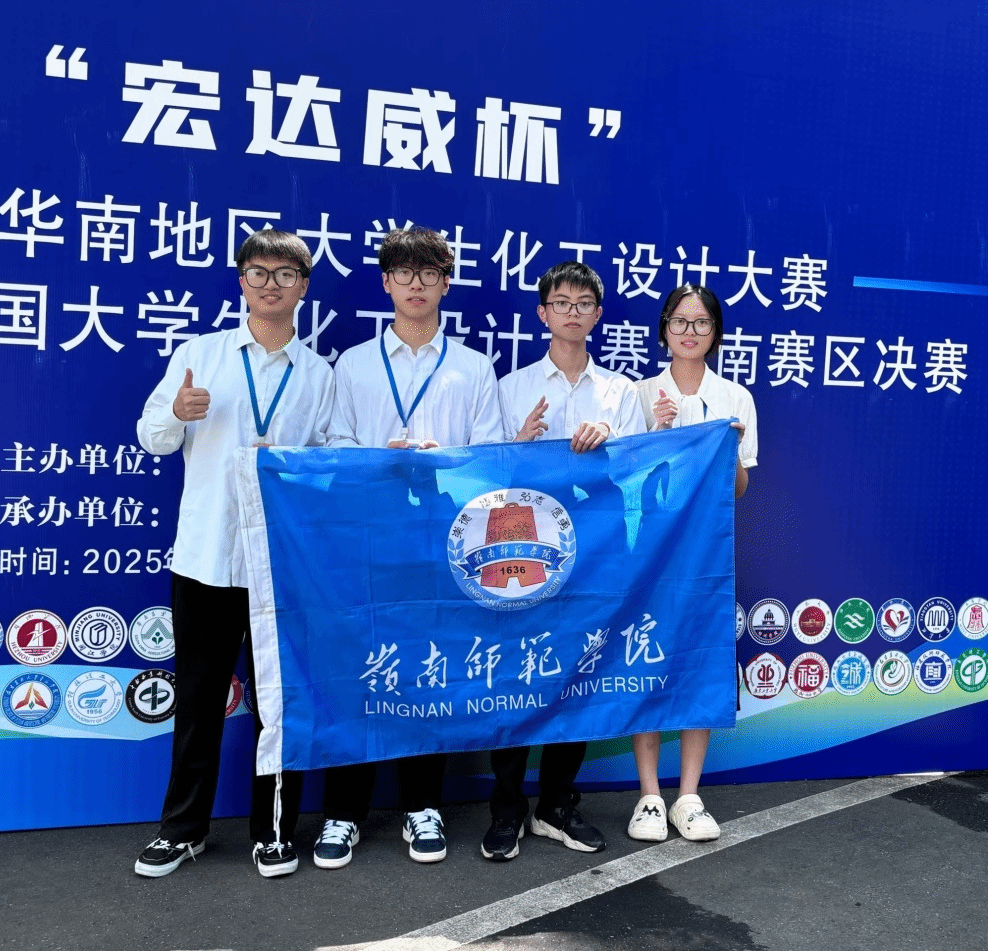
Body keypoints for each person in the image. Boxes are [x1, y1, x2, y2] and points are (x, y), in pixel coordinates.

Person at [134, 230, 335, 878]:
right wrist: (177, 411)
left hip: (282, 564)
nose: (271, 283)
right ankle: (182, 829)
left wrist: (300, 465)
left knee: (279, 703)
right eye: (259, 271)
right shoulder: (201, 354)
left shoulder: (318, 374)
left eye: (285, 273)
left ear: (304, 286)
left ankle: (273, 831)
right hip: (208, 556)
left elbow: (333, 456)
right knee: (198, 701)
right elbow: (152, 437)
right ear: (241, 280)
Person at [318, 226, 502, 868]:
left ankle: (423, 805)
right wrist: (382, 458)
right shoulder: (354, 364)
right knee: (359, 666)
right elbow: (336, 446)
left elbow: (489, 455)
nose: (416, 284)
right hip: (370, 538)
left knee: (429, 666)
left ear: (445, 284)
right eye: (404, 273)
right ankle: (343, 812)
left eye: (429, 273)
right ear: (386, 282)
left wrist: (440, 459)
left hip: (443, 542)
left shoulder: (473, 367)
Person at [482, 260, 647, 862]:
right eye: (561, 302)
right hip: (521, 552)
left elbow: (636, 471)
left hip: (595, 552)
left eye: (583, 303)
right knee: (514, 673)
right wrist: (521, 445)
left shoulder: (621, 392)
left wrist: (611, 443)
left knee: (576, 673)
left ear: (597, 315)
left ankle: (556, 804)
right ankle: (507, 808)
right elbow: (487, 477)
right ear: (543, 312)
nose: (572, 311)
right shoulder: (512, 387)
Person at [626, 283, 757, 843]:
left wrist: (729, 451)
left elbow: (740, 488)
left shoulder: (735, 398)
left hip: (705, 552)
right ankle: (649, 795)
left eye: (701, 323)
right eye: (679, 321)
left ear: (715, 333)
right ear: (663, 329)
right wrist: (656, 436)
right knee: (647, 657)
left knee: (698, 661)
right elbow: (624, 480)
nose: (689, 331)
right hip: (650, 552)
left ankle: (689, 795)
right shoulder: (638, 394)